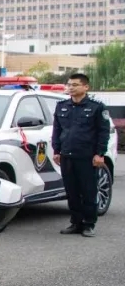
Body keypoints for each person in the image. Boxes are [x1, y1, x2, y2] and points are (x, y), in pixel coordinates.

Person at [52, 73, 111, 238]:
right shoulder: (62, 106)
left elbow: (103, 132)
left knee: (88, 191)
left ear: (86, 87)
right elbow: (57, 130)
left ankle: (89, 224)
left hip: (86, 156)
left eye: (75, 85)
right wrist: (57, 150)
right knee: (72, 191)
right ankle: (75, 222)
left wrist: (100, 154)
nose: (71, 87)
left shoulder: (96, 107)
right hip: (67, 155)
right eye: (69, 84)